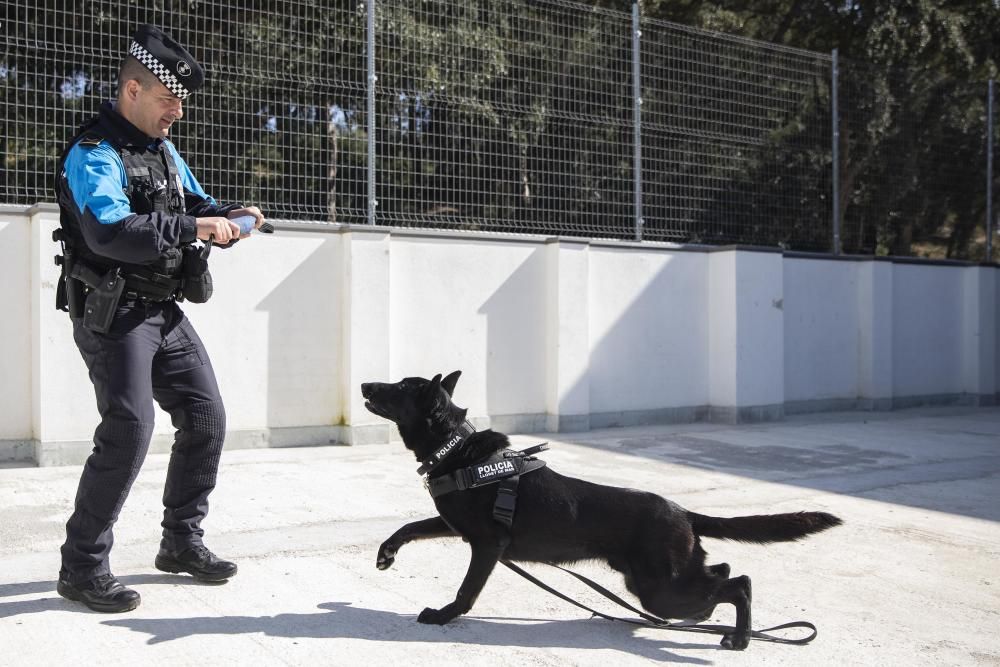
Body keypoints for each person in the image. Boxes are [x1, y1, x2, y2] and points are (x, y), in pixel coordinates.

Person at [52, 24, 264, 613]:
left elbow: (193, 203)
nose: (177, 111)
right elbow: (110, 231)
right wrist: (194, 228)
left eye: (181, 102)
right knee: (128, 429)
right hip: (113, 311)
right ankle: (82, 567)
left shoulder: (161, 152)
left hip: (161, 309)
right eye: (169, 99)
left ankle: (180, 543)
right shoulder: (93, 154)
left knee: (205, 415)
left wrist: (230, 214)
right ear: (133, 91)